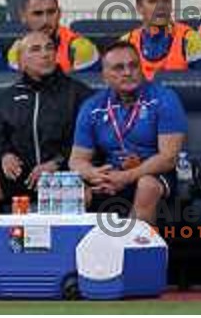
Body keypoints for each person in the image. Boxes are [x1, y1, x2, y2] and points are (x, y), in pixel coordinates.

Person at [0, 31, 92, 231]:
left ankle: (65, 256)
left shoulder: (78, 93)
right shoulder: (8, 97)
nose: (45, 54)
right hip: (20, 178)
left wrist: (56, 163)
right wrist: (5, 155)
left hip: (62, 175)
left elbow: (86, 143)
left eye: (49, 48)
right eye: (35, 50)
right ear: (21, 61)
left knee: (82, 193)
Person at [69, 41, 187, 225]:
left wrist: (125, 177)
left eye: (133, 65)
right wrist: (95, 174)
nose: (127, 72)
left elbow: (168, 158)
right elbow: (76, 161)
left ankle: (136, 249)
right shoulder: (92, 106)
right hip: (112, 174)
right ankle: (81, 251)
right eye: (118, 68)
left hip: (154, 173)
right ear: (105, 76)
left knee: (146, 186)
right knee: (75, 191)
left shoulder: (163, 98)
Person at [122, 0, 201, 80]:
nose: (161, 6)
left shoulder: (190, 39)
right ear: (139, 7)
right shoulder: (126, 42)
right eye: (152, 1)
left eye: (165, 0)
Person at [7, 0, 100, 73]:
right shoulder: (16, 51)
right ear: (23, 16)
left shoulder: (81, 49)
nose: (45, 20)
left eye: (51, 12)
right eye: (37, 14)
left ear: (59, 13)